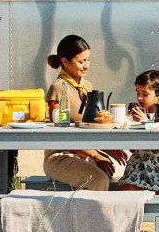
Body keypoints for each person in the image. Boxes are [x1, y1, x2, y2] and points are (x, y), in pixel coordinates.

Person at [37, 34, 131, 191]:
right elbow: (59, 135)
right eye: (81, 61)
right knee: (99, 180)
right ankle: (92, 215)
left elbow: (91, 127)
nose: (87, 65)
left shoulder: (87, 86)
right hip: (61, 156)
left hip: (86, 153)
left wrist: (109, 149)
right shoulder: (59, 88)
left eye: (88, 60)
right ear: (65, 62)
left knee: (124, 174)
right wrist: (95, 155)